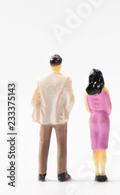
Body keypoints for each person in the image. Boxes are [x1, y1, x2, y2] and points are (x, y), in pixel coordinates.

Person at [31, 54, 74, 182]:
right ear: (60, 65)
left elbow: (33, 101)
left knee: (43, 144)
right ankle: (61, 173)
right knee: (62, 144)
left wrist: (41, 107)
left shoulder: (41, 79)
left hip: (45, 117)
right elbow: (70, 100)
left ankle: (41, 173)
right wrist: (65, 112)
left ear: (50, 65)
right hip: (60, 117)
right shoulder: (66, 79)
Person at [85, 69, 112, 182]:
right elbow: (109, 108)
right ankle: (103, 172)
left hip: (93, 118)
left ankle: (96, 171)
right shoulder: (104, 91)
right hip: (103, 118)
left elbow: (88, 108)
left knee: (95, 148)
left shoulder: (87, 92)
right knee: (102, 148)